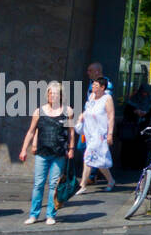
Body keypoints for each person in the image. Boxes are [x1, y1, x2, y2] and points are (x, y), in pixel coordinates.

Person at [19, 83, 74, 225]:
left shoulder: (68, 111)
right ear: (47, 95)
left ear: (61, 96)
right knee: (38, 184)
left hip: (59, 153)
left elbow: (71, 133)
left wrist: (72, 149)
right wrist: (24, 149)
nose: (53, 96)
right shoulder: (39, 111)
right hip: (42, 153)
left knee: (54, 185)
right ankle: (34, 215)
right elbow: (31, 131)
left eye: (56, 93)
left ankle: (51, 215)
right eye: (51, 93)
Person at [75, 77, 116, 190]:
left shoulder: (107, 98)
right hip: (89, 132)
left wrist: (110, 134)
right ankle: (111, 180)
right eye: (93, 85)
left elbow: (111, 116)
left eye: (96, 86)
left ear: (103, 88)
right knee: (99, 159)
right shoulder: (91, 97)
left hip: (100, 133)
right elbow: (87, 110)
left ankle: (82, 185)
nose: (93, 87)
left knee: (88, 156)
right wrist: (80, 118)